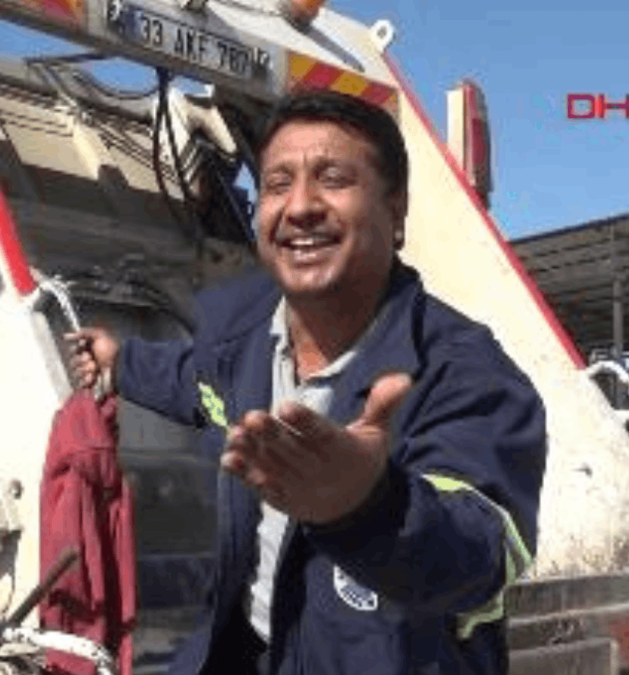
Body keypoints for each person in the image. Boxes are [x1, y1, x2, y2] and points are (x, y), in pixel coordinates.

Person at [66, 89, 547, 675]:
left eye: (333, 179)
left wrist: (369, 508)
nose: (299, 206)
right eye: (277, 184)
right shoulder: (240, 343)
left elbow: (484, 555)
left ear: (396, 211)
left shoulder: (465, 372)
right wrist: (120, 364)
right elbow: (195, 385)